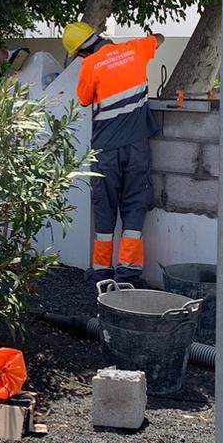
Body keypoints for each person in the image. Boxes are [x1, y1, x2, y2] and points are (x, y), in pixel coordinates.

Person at [69, 19, 164, 284]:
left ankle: (102, 272)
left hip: (105, 150)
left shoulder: (90, 65)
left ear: (81, 52)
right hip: (137, 146)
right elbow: (159, 38)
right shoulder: (135, 49)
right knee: (135, 204)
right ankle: (128, 273)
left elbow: (84, 99)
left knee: (104, 206)